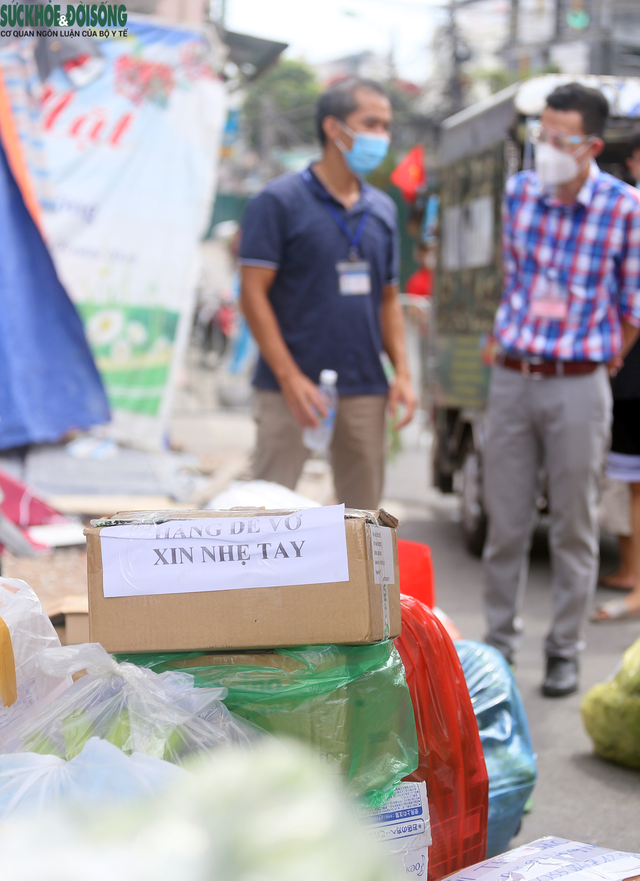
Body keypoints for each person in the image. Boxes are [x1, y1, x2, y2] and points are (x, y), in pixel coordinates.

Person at [482, 83, 640, 697]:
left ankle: (564, 650)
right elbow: (513, 278)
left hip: (580, 383)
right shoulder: (520, 194)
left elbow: (632, 305)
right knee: (507, 523)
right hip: (514, 376)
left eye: (560, 140)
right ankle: (497, 648)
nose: (546, 149)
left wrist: (603, 361)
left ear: (592, 145)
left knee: (575, 526)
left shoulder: (624, 207)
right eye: (542, 136)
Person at [239, 77, 416, 511]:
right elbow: (252, 294)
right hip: (289, 391)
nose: (381, 136)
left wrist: (403, 376)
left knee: (364, 525)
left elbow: (388, 300)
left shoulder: (383, 210)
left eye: (386, 125)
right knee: (266, 517)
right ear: (334, 129)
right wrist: (289, 377)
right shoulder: (278, 201)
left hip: (364, 388)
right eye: (370, 123)